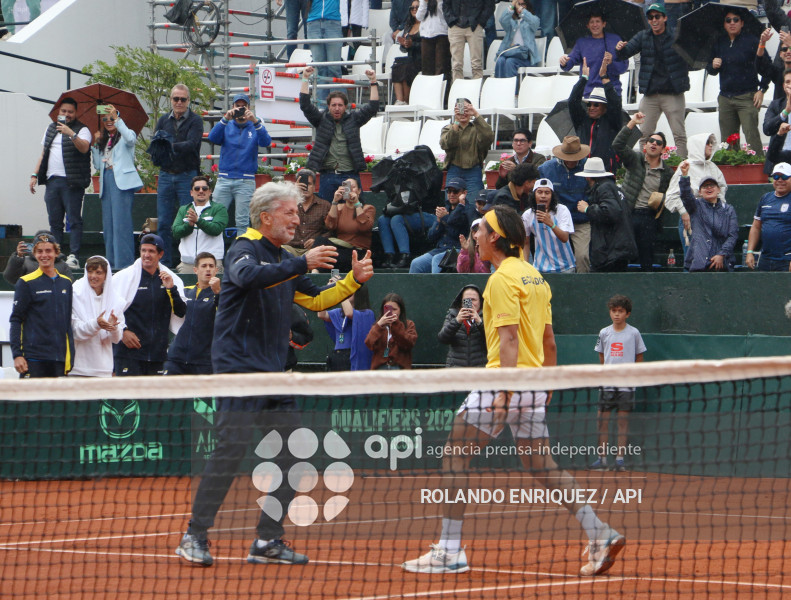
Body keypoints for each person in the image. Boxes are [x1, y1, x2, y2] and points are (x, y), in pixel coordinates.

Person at [401, 205, 625, 576]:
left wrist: (503, 394)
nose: (475, 236)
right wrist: (547, 382)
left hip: (505, 381)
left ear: (495, 237)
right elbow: (548, 340)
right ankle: (599, 532)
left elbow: (509, 339)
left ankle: (449, 550)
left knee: (454, 455)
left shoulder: (501, 280)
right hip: (534, 384)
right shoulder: (537, 277)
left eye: (480, 230)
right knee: (543, 466)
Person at [176, 181, 374, 567]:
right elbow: (249, 278)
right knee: (230, 451)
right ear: (266, 216)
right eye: (291, 212)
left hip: (273, 370)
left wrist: (354, 281)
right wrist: (302, 261)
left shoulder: (283, 257)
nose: (298, 220)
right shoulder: (243, 249)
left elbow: (316, 298)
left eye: (299, 213)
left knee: (296, 454)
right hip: (238, 370)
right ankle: (194, 535)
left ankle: (267, 540)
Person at [615, 3, 690, 158]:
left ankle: (682, 170)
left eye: (657, 16)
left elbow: (690, 56)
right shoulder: (643, 36)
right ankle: (644, 168)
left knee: (679, 135)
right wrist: (619, 48)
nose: (654, 20)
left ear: (665, 18)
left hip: (672, 93)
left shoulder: (677, 35)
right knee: (643, 135)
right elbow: (624, 54)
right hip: (650, 94)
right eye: (650, 17)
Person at [300, 66, 379, 201]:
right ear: (328, 106)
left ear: (346, 107)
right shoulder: (321, 119)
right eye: (333, 105)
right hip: (328, 176)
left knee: (353, 211)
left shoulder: (354, 120)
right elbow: (305, 105)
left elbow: (373, 107)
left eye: (340, 105)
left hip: (350, 176)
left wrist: (373, 81)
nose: (337, 108)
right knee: (327, 213)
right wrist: (305, 78)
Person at [30, 96, 91, 270]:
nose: (67, 114)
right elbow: (43, 154)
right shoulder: (50, 129)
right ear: (58, 112)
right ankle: (56, 254)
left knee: (74, 219)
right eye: (64, 111)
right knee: (55, 221)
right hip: (52, 181)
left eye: (70, 112)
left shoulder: (82, 129)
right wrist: (34, 174)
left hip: (72, 182)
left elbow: (84, 148)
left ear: (75, 113)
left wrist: (70, 133)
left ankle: (74, 255)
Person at [113, 234, 187, 376]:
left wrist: (171, 289)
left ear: (160, 254)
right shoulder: (123, 278)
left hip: (157, 355)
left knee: (153, 399)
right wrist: (123, 331)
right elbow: (110, 308)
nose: (146, 255)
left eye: (151, 251)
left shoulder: (171, 279)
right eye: (143, 250)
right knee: (129, 398)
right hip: (128, 354)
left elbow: (181, 312)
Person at [589, 294, 646, 472]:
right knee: (602, 421)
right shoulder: (604, 333)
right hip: (607, 385)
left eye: (620, 311)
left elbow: (639, 357)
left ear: (627, 314)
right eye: (614, 311)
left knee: (622, 421)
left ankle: (620, 460)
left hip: (626, 386)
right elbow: (601, 355)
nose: (616, 315)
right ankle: (602, 459)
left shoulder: (634, 333)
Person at [9, 232, 74, 378]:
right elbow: (16, 319)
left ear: (56, 253)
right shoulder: (25, 282)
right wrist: (17, 355)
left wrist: (70, 357)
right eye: (39, 251)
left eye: (48, 250)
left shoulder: (66, 283)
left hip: (59, 358)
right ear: (34, 254)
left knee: (57, 401)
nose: (44, 255)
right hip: (33, 358)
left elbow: (67, 323)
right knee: (32, 401)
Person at [152, 84, 204, 267]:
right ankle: (164, 263)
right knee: (164, 222)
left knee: (188, 220)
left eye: (183, 99)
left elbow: (192, 143)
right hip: (165, 175)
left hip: (186, 176)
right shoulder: (163, 120)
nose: (179, 102)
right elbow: (156, 143)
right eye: (176, 99)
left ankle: (187, 261)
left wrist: (169, 146)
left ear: (188, 101)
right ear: (171, 100)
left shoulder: (196, 121)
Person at [612, 113, 672, 271]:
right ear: (645, 145)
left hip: (649, 217)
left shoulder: (667, 172)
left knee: (647, 258)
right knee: (622, 254)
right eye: (650, 141)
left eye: (658, 143)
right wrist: (632, 123)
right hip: (629, 213)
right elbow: (617, 145)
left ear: (663, 149)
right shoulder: (635, 159)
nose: (653, 144)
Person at [207, 93, 272, 231]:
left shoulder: (255, 124)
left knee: (242, 222)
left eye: (244, 106)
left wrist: (254, 121)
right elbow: (212, 138)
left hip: (245, 180)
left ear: (249, 108)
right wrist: (225, 118)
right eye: (238, 106)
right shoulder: (227, 124)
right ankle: (215, 252)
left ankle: (241, 252)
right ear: (232, 107)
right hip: (224, 178)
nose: (240, 109)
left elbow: (266, 142)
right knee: (216, 219)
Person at [707, 11, 766, 157]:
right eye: (728, 20)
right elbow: (711, 70)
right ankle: (731, 176)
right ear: (724, 24)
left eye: (735, 20)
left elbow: (767, 66)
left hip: (747, 96)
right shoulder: (719, 42)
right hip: (725, 97)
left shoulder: (752, 41)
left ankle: (759, 171)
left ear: (742, 23)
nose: (732, 23)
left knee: (751, 137)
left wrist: (762, 89)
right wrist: (712, 65)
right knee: (728, 142)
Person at [91, 104, 143, 271]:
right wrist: (95, 144)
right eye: (105, 118)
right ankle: (111, 263)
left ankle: (124, 265)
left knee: (121, 225)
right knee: (109, 226)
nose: (109, 121)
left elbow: (131, 139)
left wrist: (118, 119)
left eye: (111, 118)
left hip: (121, 182)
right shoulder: (104, 140)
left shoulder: (127, 136)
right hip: (106, 180)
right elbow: (98, 164)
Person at [664, 133, 728, 257]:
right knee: (692, 260)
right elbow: (671, 196)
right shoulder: (685, 166)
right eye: (707, 143)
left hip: (713, 218)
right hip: (691, 218)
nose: (710, 145)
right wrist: (684, 212)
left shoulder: (713, 167)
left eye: (711, 143)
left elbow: (722, 190)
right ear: (698, 145)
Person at [163, 252, 221, 375]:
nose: (208, 269)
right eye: (204, 266)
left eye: (211, 266)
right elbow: (178, 311)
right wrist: (171, 288)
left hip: (204, 360)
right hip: (177, 356)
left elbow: (225, 314)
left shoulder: (222, 293)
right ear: (195, 270)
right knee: (167, 392)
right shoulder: (186, 291)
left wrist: (218, 293)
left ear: (216, 270)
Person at [576, 157, 637, 273]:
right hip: (618, 249)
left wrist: (587, 209)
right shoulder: (612, 187)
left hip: (610, 252)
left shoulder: (604, 188)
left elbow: (610, 212)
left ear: (588, 176)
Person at [538, 137, 591, 272]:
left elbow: (594, 192)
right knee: (553, 257)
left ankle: (582, 286)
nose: (571, 160)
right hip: (555, 219)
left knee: (582, 256)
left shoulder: (589, 167)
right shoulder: (546, 169)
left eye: (575, 157)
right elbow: (538, 193)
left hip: (580, 220)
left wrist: (587, 205)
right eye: (568, 157)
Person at [676, 161, 739, 272]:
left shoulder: (729, 210)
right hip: (699, 263)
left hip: (722, 265)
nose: (709, 188)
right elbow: (686, 195)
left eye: (712, 185)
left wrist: (722, 254)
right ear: (700, 192)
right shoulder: (695, 206)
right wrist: (685, 176)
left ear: (719, 189)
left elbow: (732, 236)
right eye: (705, 186)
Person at [440, 98, 495, 221]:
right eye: (460, 109)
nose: (463, 113)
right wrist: (457, 122)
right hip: (454, 169)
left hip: (473, 171)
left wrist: (475, 114)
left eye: (466, 109)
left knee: (473, 205)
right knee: (451, 203)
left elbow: (488, 137)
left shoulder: (477, 128)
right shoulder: (448, 128)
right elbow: (447, 144)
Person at [70, 256, 125, 378]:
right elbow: (76, 331)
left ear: (106, 275)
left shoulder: (115, 300)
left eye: (98, 272)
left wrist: (113, 328)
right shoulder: (74, 294)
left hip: (103, 370)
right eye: (90, 271)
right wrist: (97, 324)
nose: (93, 276)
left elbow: (116, 339)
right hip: (77, 369)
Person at [569, 58, 624, 175]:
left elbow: (615, 103)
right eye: (589, 104)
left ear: (605, 108)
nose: (591, 107)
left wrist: (604, 78)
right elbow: (572, 102)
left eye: (596, 105)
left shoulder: (613, 122)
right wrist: (583, 79)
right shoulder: (582, 121)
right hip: (582, 171)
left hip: (605, 172)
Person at [560, 10, 629, 97]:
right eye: (591, 22)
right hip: (588, 93)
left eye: (597, 21)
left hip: (611, 91)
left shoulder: (615, 39)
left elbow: (623, 68)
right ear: (587, 25)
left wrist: (611, 63)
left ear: (604, 24)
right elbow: (569, 62)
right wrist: (564, 62)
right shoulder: (581, 42)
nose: (595, 25)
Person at [409, 177, 470, 273]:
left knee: (437, 259)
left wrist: (445, 218)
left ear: (464, 193)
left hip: (457, 250)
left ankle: (437, 288)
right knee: (416, 263)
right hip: (441, 249)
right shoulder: (445, 208)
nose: (451, 194)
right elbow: (431, 237)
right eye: (449, 191)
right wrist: (438, 220)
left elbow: (455, 234)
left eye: (455, 191)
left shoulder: (467, 210)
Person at [314, 178, 376, 272]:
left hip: (357, 252)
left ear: (359, 191)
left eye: (353, 187)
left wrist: (356, 204)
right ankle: (315, 271)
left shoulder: (368, 208)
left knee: (329, 256)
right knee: (320, 241)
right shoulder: (339, 207)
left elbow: (364, 227)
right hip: (339, 248)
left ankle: (316, 271)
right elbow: (330, 226)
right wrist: (335, 201)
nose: (350, 190)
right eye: (347, 187)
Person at [172, 175, 229, 274]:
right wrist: (189, 225)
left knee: (213, 290)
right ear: (191, 192)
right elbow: (176, 232)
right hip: (188, 264)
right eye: (197, 188)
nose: (201, 191)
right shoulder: (183, 209)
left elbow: (216, 229)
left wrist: (198, 221)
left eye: (204, 188)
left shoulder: (219, 208)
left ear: (210, 192)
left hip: (211, 264)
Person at [377, 181, 438, 269]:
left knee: (396, 219)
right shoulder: (395, 178)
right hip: (402, 212)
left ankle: (405, 256)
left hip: (424, 212)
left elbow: (429, 198)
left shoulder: (422, 176)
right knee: (383, 220)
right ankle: (389, 256)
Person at [318, 282, 376, 371]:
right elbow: (321, 314)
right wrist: (327, 290)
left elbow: (349, 313)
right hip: (337, 358)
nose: (347, 292)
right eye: (346, 290)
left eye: (349, 290)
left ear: (359, 292)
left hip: (354, 358)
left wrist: (341, 290)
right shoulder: (338, 313)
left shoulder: (367, 313)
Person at [522, 178, 576, 273]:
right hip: (540, 268)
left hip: (565, 267)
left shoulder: (562, 210)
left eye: (547, 193)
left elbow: (565, 237)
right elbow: (525, 243)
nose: (543, 196)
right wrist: (525, 266)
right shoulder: (528, 215)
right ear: (534, 195)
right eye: (540, 192)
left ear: (552, 196)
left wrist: (550, 223)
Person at [745, 162, 791, 271]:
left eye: (784, 176)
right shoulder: (765, 198)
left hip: (787, 260)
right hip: (765, 259)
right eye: (776, 176)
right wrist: (750, 251)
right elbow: (756, 227)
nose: (780, 180)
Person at [282, 169, 331, 257]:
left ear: (314, 186)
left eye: (309, 184)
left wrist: (317, 240)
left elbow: (330, 231)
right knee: (279, 251)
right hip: (290, 248)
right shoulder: (289, 203)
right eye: (303, 184)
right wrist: (292, 190)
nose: (306, 187)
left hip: (313, 249)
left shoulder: (324, 205)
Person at [443, 0, 494, 82]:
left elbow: (489, 5)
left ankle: (476, 90)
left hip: (475, 25)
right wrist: (451, 20)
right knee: (456, 64)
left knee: (476, 63)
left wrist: (480, 22)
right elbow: (446, 4)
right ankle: (457, 91)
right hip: (455, 25)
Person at [437, 284, 486, 367]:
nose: (470, 303)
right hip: (456, 369)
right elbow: (443, 338)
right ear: (461, 301)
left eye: (473, 300)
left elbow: (492, 339)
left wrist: (479, 322)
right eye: (466, 300)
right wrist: (456, 321)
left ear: (480, 301)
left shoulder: (486, 316)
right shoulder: (452, 315)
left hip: (480, 369)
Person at [365, 293, 418, 369]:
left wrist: (396, 324)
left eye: (395, 309)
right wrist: (379, 325)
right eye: (388, 309)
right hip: (380, 368)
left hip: (399, 368)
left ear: (400, 310)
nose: (391, 312)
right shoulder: (378, 326)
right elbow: (369, 343)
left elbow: (408, 344)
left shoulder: (409, 325)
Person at [306, 0, 343, 102]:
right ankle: (322, 106)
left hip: (332, 22)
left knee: (334, 68)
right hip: (313, 23)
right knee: (319, 69)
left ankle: (338, 105)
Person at [3, 229, 72, 285]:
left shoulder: (63, 265)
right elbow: (10, 277)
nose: (44, 255)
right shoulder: (25, 262)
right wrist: (18, 257)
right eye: (40, 250)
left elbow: (70, 286)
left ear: (56, 251)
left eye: (48, 250)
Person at [494, 0, 541, 82]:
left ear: (527, 5)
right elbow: (502, 20)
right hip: (511, 53)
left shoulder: (532, 20)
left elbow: (535, 23)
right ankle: (500, 88)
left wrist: (522, 11)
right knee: (500, 60)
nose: (521, 6)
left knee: (510, 62)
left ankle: (513, 91)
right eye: (518, 4)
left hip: (526, 58)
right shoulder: (511, 21)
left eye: (523, 4)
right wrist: (512, 4)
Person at [392, 2, 422, 105]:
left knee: (406, 68)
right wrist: (404, 43)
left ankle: (406, 100)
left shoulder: (425, 25)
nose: (414, 9)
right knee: (397, 65)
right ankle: (400, 100)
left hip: (422, 59)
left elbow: (426, 45)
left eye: (417, 7)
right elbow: (404, 49)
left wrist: (412, 44)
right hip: (410, 59)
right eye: (412, 7)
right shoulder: (409, 26)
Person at [762, 68, 791, 177]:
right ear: (783, 86)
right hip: (778, 158)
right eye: (787, 82)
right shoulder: (776, 105)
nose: (790, 85)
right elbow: (767, 129)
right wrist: (786, 112)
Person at [416, 0, 451, 88]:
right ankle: (429, 91)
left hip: (441, 33)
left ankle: (441, 92)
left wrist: (439, 2)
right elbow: (419, 17)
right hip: (426, 34)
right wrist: (424, 2)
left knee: (441, 65)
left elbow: (446, 14)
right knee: (427, 67)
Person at [755, 28, 791, 103]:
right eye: (784, 49)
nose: (788, 51)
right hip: (780, 111)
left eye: (790, 48)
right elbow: (760, 66)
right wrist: (762, 43)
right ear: (780, 54)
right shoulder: (777, 72)